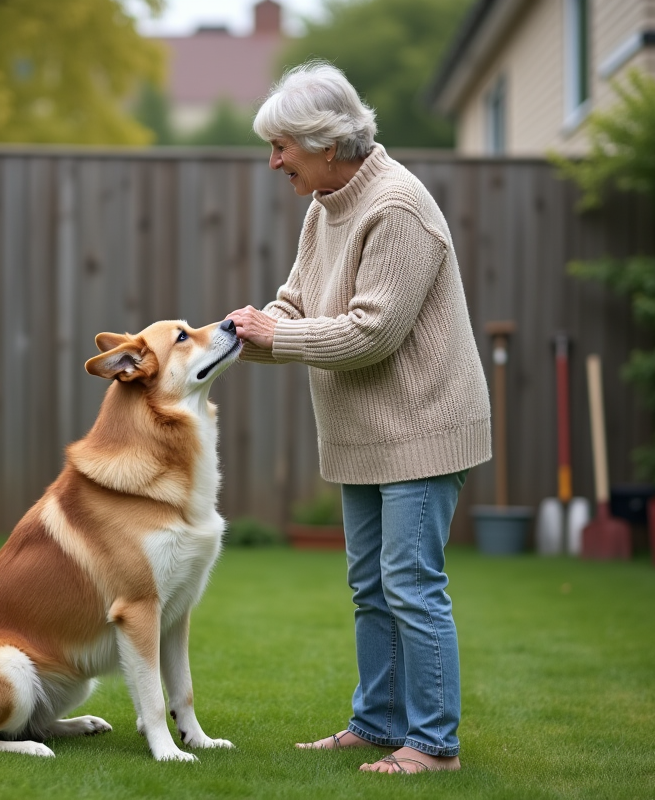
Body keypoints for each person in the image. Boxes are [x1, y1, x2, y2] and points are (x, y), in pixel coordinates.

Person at [225, 61, 491, 775]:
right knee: (371, 587)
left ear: (325, 142)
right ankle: (376, 724)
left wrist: (276, 337)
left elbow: (373, 331)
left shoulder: (396, 206)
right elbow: (297, 301)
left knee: (411, 585)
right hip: (366, 434)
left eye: (282, 145)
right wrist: (244, 333)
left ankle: (434, 745)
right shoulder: (324, 206)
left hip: (424, 427)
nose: (274, 159)